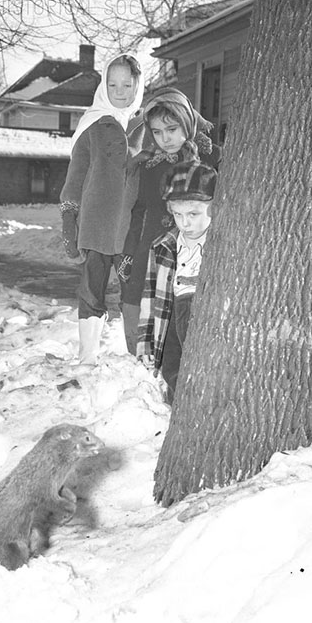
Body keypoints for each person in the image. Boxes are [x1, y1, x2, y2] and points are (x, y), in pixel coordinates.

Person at [118, 87, 221, 355]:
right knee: (142, 319)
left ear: (186, 122)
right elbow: (137, 212)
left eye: (172, 129)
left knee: (185, 329)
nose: (165, 138)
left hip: (195, 256)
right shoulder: (149, 166)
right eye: (157, 132)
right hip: (151, 255)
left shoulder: (213, 158)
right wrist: (128, 254)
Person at [59, 51, 144, 365]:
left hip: (131, 228)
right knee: (92, 290)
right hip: (96, 225)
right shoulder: (93, 125)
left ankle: (139, 355)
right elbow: (76, 176)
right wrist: (70, 214)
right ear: (103, 86)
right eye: (113, 85)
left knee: (133, 291)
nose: (120, 92)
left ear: (138, 85)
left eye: (127, 85)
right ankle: (87, 356)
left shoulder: (145, 126)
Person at [137, 161, 217, 404]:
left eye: (193, 214)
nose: (185, 223)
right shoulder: (163, 246)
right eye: (177, 214)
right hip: (169, 318)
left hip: (203, 317)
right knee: (172, 369)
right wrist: (146, 340)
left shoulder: (220, 243)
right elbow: (150, 295)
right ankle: (177, 409)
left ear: (213, 207)